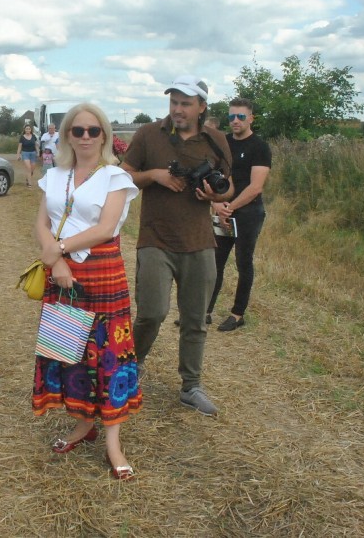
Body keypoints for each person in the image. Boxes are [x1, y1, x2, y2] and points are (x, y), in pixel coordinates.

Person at [32, 103, 141, 480]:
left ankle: (113, 442)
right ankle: (82, 424)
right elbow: (42, 223)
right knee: (69, 351)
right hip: (61, 275)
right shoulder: (55, 175)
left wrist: (58, 250)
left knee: (108, 355)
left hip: (102, 272)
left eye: (93, 130)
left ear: (105, 136)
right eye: (76, 131)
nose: (85, 137)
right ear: (65, 136)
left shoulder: (115, 177)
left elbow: (106, 228)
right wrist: (56, 262)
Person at [120, 75, 233, 417]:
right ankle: (131, 367)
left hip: (199, 241)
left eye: (186, 103)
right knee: (152, 312)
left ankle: (191, 386)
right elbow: (122, 175)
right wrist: (153, 175)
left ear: (201, 107)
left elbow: (228, 187)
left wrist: (216, 194)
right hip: (155, 238)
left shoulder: (215, 140)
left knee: (195, 319)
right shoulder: (148, 134)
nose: (178, 109)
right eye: (174, 102)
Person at [208, 98, 271, 331]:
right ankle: (206, 310)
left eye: (241, 117)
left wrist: (229, 207)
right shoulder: (222, 143)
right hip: (222, 210)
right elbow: (212, 175)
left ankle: (237, 314)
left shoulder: (259, 147)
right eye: (232, 116)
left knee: (243, 262)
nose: (235, 121)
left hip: (248, 213)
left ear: (251, 118)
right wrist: (216, 205)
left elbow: (256, 187)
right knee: (215, 262)